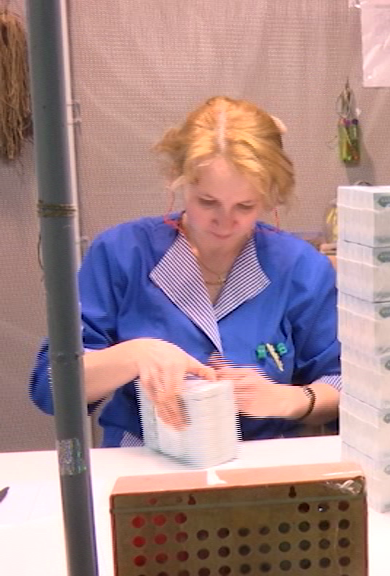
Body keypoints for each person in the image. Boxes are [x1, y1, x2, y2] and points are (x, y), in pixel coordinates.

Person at [29, 96, 341, 447]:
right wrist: (134, 355)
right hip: (143, 456)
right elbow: (50, 386)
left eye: (245, 206)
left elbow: (345, 383)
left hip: (262, 456)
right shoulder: (123, 253)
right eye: (207, 202)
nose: (224, 221)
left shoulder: (300, 267)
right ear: (177, 180)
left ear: (271, 196)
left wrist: (291, 400)